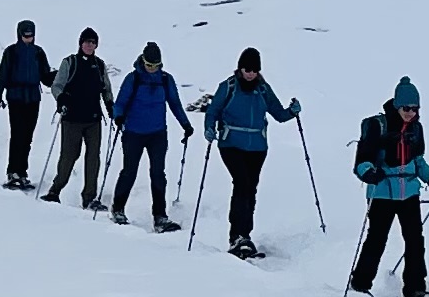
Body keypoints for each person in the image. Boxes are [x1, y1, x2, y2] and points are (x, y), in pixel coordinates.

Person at [349, 76, 429, 297]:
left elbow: (418, 161)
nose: (411, 113)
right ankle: (360, 285)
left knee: (415, 241)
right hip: (382, 193)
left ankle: (416, 290)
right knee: (377, 240)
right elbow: (362, 161)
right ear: (397, 106)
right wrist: (369, 173)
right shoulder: (378, 126)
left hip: (409, 194)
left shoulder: (416, 129)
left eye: (415, 109)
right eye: (407, 108)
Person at [202, 49, 301, 257]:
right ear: (240, 68)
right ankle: (237, 236)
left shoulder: (263, 89)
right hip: (231, 144)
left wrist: (292, 112)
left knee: (250, 188)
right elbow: (213, 111)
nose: (250, 74)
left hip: (257, 147)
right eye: (247, 69)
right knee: (242, 183)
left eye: (255, 70)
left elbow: (278, 114)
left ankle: (244, 235)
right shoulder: (228, 86)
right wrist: (209, 128)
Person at [111, 42, 190, 226]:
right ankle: (118, 209)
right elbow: (120, 102)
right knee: (129, 171)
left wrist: (185, 124)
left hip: (157, 134)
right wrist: (118, 117)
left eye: (156, 65)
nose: (152, 69)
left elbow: (175, 103)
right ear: (143, 61)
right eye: (149, 65)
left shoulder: (165, 80)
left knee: (158, 174)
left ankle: (160, 216)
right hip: (133, 133)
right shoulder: (133, 78)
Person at [45, 31, 112, 207]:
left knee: (93, 158)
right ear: (81, 43)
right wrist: (61, 99)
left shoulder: (99, 65)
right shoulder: (70, 62)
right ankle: (55, 190)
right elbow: (57, 85)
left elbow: (106, 88)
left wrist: (110, 105)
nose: (90, 45)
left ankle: (89, 197)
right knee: (69, 156)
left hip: (93, 119)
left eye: (93, 42)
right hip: (72, 118)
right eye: (87, 42)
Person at [0, 20, 55, 188]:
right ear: (19, 34)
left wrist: (58, 75)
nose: (28, 38)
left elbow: (45, 78)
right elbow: (2, 75)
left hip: (33, 98)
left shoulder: (38, 52)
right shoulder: (11, 52)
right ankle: (13, 172)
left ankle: (22, 172)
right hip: (16, 97)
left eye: (30, 35)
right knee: (18, 134)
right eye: (25, 35)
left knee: (27, 137)